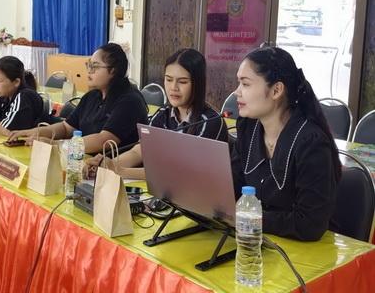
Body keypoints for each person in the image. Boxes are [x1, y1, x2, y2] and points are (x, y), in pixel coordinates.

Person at [230, 45, 341, 241]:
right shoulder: (248, 127)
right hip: (257, 240)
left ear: (276, 90)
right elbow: (233, 185)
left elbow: (310, 224)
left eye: (245, 84)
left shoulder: (311, 142)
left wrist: (250, 219)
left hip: (305, 251)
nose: (236, 92)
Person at [85, 48, 228, 180]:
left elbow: (182, 174)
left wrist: (120, 171)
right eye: (169, 79)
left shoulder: (210, 122)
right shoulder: (163, 114)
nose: (173, 87)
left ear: (198, 84)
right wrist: (106, 166)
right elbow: (138, 152)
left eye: (183, 82)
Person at [8, 43, 149, 154]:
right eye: (89, 65)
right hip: (82, 161)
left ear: (113, 70)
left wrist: (56, 144)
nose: (89, 71)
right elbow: (66, 128)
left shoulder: (130, 101)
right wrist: (32, 133)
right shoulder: (92, 96)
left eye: (95, 67)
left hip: (112, 170)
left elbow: (104, 140)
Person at [0, 56, 42, 136]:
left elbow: (8, 130)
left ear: (16, 82)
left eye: (0, 80)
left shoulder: (25, 96)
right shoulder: (1, 95)